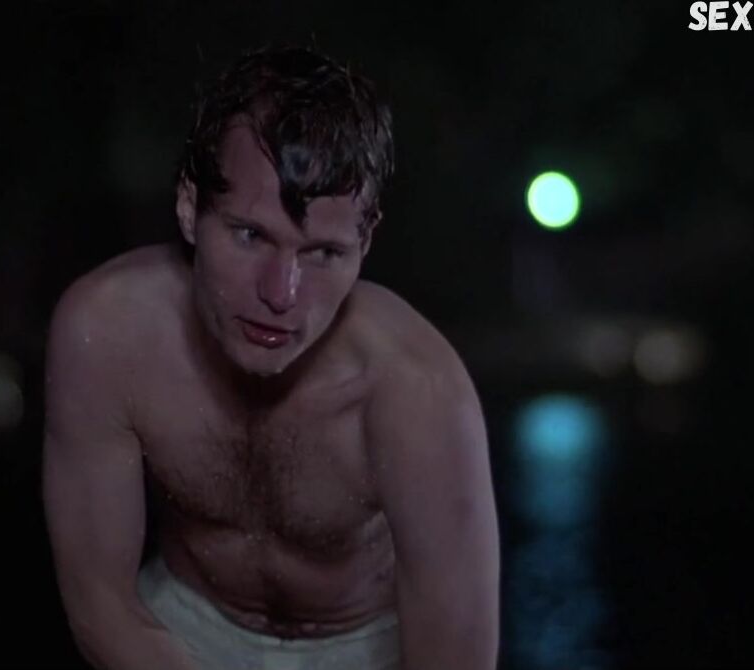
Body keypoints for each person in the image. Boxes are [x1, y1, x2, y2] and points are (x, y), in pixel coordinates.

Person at [42, 44, 500, 670]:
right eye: (251, 235)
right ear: (189, 207)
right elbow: (101, 604)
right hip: (177, 629)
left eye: (323, 253)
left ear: (365, 242)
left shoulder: (418, 389)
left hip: (372, 647)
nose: (281, 295)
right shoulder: (106, 331)